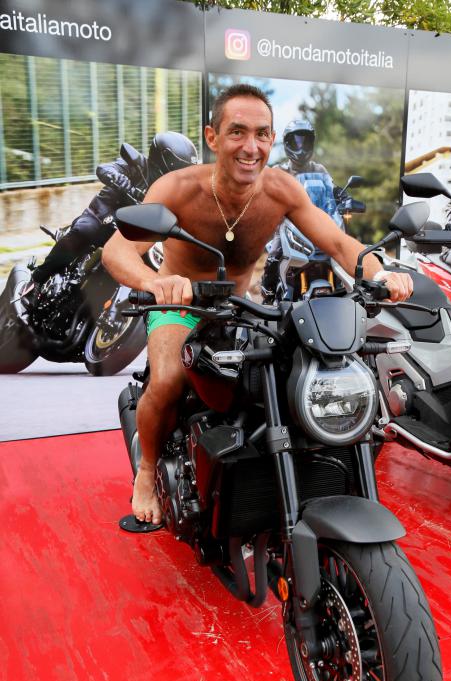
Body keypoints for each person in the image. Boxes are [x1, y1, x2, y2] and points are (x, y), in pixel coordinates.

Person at [102, 83, 413, 525]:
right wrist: (156, 283)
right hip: (180, 306)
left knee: (286, 378)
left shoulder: (281, 190)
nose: (251, 147)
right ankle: (148, 471)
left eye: (262, 134)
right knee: (169, 380)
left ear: (272, 139)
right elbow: (116, 251)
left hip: (240, 308)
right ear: (212, 137)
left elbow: (339, 243)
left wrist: (381, 275)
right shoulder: (179, 188)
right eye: (238, 132)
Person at [30, 132, 199, 288]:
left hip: (133, 233)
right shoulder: (137, 165)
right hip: (103, 217)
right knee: (85, 231)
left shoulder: (173, 190)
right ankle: (36, 279)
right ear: (163, 161)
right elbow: (104, 168)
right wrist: (118, 178)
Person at [261, 119, 339, 300]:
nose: (301, 147)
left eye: (304, 141)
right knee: (275, 253)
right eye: (296, 142)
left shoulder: (319, 169)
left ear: (311, 142)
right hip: (288, 225)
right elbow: (266, 191)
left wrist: (343, 198)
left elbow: (332, 190)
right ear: (287, 144)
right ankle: (268, 288)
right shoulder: (279, 171)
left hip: (319, 225)